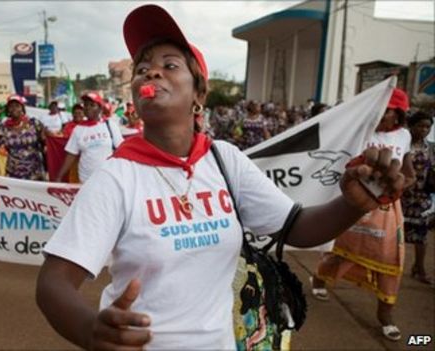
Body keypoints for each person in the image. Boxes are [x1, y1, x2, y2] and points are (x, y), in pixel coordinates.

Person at [35, 5, 407, 350]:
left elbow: (297, 227)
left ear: (199, 94)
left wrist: (352, 205)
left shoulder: (224, 160)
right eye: (142, 67)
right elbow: (54, 283)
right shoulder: (116, 177)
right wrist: (91, 330)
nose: (152, 72)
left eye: (170, 65)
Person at [312, 88, 416, 342]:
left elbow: (410, 174)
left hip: (386, 208)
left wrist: (400, 184)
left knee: (390, 259)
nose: (381, 114)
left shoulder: (404, 136)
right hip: (353, 201)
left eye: (388, 110)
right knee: (337, 247)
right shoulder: (360, 129)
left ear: (398, 115)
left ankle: (386, 315)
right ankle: (319, 280)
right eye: (379, 108)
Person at [54, 92, 123, 183]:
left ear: (100, 108)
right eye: (86, 105)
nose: (88, 108)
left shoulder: (110, 125)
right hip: (86, 182)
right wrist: (59, 177)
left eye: (92, 105)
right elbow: (71, 155)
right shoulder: (78, 129)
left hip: (108, 180)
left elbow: (121, 149)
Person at [0, 94, 47, 180]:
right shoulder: (3, 128)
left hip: (35, 173)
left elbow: (45, 141)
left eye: (17, 106)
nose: (14, 109)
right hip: (13, 173)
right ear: (7, 110)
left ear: (22, 108)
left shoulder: (34, 123)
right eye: (11, 106)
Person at [401, 111, 434, 284]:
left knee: (421, 235)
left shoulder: (430, 147)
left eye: (427, 127)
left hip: (422, 197)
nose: (424, 130)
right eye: (420, 125)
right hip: (401, 195)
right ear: (411, 126)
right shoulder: (403, 144)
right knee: (396, 234)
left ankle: (419, 268)